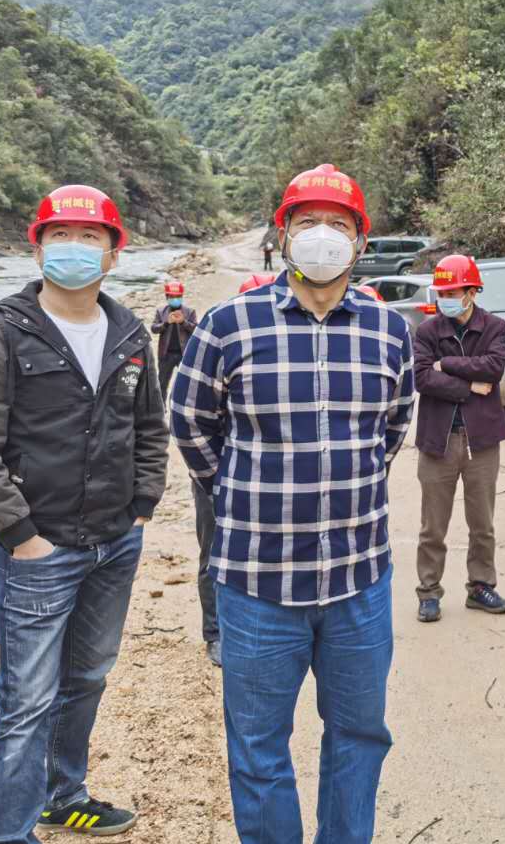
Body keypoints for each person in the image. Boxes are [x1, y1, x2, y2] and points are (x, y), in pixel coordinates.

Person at [170, 164, 413, 844]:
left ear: (360, 241)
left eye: (338, 224)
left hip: (359, 581)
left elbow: (393, 429)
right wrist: (238, 492)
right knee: (258, 749)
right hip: (257, 584)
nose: (322, 235)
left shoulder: (389, 330)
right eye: (308, 222)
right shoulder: (228, 325)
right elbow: (190, 422)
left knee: (360, 736)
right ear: (282, 235)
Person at [0, 184, 167, 842]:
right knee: (26, 702)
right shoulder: (0, 333)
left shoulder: (130, 333)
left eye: (89, 237)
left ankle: (63, 795)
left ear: (113, 253)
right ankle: (10, 835)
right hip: (38, 551)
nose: (75, 247)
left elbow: (149, 428)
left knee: (88, 678)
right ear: (39, 249)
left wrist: (142, 505)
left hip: (114, 543)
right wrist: (21, 537)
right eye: (60, 235)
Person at [412, 254, 505, 623]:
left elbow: (494, 368)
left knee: (482, 524)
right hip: (437, 440)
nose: (445, 299)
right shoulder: (427, 331)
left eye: (452, 292)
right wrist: (469, 386)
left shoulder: (494, 327)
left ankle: (481, 586)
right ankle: (428, 592)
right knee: (432, 526)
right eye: (441, 293)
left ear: (471, 292)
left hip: (481, 440)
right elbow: (422, 378)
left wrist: (448, 365)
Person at [150, 280, 198, 401]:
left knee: (186, 383)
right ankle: (161, 407)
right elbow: (154, 329)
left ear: (181, 297)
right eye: (172, 297)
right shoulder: (161, 312)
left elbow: (196, 330)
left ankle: (182, 405)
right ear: (167, 297)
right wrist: (166, 323)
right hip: (166, 355)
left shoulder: (189, 312)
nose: (175, 299)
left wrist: (183, 322)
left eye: (178, 296)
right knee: (162, 384)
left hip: (184, 354)